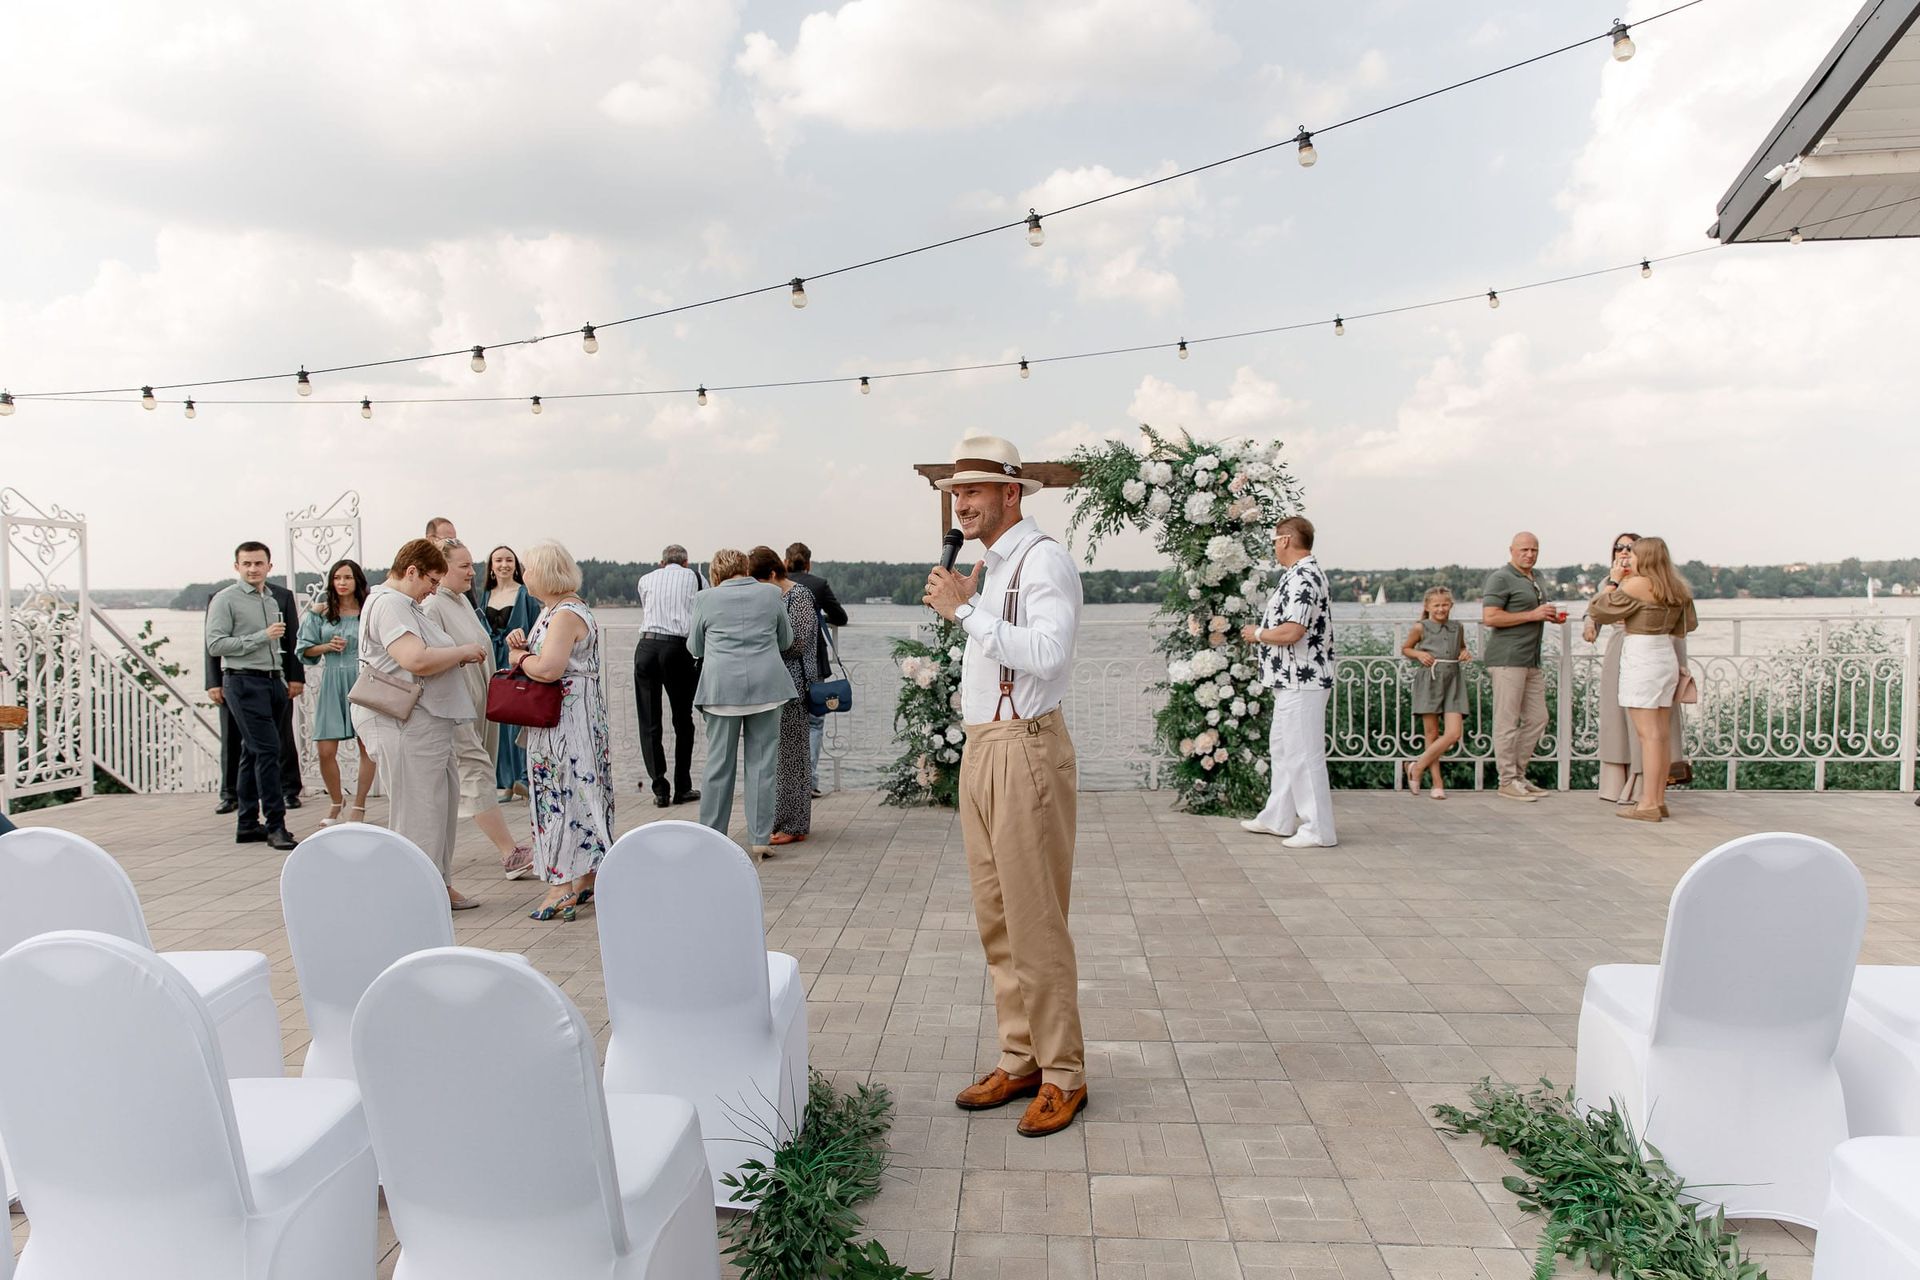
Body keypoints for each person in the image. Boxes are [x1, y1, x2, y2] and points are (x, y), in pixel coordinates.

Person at [923, 434, 1087, 1138]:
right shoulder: (990, 569)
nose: (961, 502)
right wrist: (971, 604)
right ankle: (1020, 1058)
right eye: (956, 492)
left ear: (1011, 494)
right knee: (997, 919)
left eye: (974, 491)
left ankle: (1064, 1074)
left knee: (1035, 919)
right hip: (986, 748)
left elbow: (1050, 652)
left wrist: (963, 611)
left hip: (1024, 748)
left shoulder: (1043, 560)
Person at [353, 539, 489, 909]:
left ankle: (437, 886)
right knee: (418, 810)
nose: (434, 589)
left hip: (427, 721)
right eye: (431, 580)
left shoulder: (404, 605)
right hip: (406, 722)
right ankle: (414, 894)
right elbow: (415, 659)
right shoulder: (390, 605)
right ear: (411, 570)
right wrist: (460, 652)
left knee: (438, 806)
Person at [507, 541, 615, 922]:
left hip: (563, 721)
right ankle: (587, 875)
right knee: (582, 790)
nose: (524, 576)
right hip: (571, 715)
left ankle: (560, 885)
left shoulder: (565, 613)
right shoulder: (556, 610)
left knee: (560, 792)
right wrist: (523, 646)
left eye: (528, 569)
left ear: (544, 573)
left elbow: (550, 668)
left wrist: (518, 657)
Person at [423, 539, 535, 879]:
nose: (473, 572)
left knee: (462, 778)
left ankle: (432, 860)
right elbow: (427, 658)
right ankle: (509, 853)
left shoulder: (461, 602)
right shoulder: (432, 607)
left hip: (480, 702)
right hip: (454, 705)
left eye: (472, 564)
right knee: (475, 772)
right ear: (441, 570)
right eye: (464, 566)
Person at [688, 548, 793, 860]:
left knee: (719, 765)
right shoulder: (772, 594)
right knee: (762, 765)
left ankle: (712, 836)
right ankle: (760, 838)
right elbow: (785, 639)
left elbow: (694, 646)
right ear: (745, 567)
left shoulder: (705, 599)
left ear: (716, 572)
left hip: (722, 690)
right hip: (767, 687)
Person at [1239, 516, 1338, 848]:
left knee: (1304, 754)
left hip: (1302, 681)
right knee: (1283, 749)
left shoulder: (1304, 578)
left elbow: (1293, 631)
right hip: (1290, 680)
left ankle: (1317, 829)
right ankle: (1278, 817)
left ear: (1285, 540)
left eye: (1274, 541)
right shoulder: (1299, 575)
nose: (1273, 547)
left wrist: (1258, 634)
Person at [1588, 536, 1698, 823]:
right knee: (1659, 735)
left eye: (1633, 554)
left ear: (1645, 557)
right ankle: (1658, 800)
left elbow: (1599, 609)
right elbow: (1687, 626)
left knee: (1647, 736)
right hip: (1665, 658)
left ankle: (1647, 803)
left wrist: (1613, 582)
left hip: (1642, 659)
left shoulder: (1637, 584)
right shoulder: (1676, 587)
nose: (1629, 558)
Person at [205, 541, 305, 850]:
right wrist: (260, 637)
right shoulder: (225, 600)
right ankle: (276, 826)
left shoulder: (273, 598)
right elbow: (216, 645)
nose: (252, 569)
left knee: (252, 753)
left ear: (269, 567)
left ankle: (247, 824)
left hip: (272, 681)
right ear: (237, 566)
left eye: (258, 563)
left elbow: (289, 639)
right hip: (243, 682)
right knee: (268, 753)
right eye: (246, 563)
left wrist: (287, 677)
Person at [1481, 531, 1561, 802]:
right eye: (1524, 550)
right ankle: (1506, 780)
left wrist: (1548, 616)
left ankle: (1518, 775)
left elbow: (1533, 612)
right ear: (1512, 550)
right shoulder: (1501, 577)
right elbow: (1490, 617)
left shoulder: (1536, 577)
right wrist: (1532, 615)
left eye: (1534, 550)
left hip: (1531, 659)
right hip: (1507, 658)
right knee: (1506, 722)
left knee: (1539, 718)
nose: (1529, 554)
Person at [296, 558, 375, 825]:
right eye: (337, 578)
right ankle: (335, 801)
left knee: (367, 746)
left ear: (357, 581)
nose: (342, 583)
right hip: (332, 681)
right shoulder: (320, 613)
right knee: (325, 750)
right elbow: (303, 649)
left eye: (347, 578)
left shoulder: (369, 610)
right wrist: (326, 646)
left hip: (362, 680)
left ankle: (359, 805)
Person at [633, 544, 703, 809]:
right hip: (677, 648)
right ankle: (682, 787)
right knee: (682, 720)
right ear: (686, 562)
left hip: (647, 646)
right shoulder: (696, 577)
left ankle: (660, 789)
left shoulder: (646, 579)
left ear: (661, 563)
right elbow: (701, 610)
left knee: (650, 721)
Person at [760, 548, 819, 847]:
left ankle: (792, 823)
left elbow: (798, 643)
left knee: (792, 757)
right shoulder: (773, 596)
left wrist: (761, 643)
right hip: (775, 682)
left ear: (773, 574)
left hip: (794, 683)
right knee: (780, 755)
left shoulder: (800, 596)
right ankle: (783, 819)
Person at [785, 542, 849, 797]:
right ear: (808, 563)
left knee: (786, 722)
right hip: (815, 661)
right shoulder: (818, 585)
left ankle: (788, 781)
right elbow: (840, 617)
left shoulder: (777, 584)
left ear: (785, 561)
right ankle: (808, 781)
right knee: (814, 722)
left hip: (783, 662)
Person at [1401, 586, 1472, 799]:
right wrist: (1418, 654)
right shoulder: (1420, 627)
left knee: (1453, 733)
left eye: (1445, 604)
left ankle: (1416, 766)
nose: (1441, 609)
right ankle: (1437, 783)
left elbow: (1460, 647)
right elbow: (1406, 648)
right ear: (1427, 606)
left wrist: (1464, 652)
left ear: (1451, 605)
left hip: (1453, 681)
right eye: (1436, 605)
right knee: (1431, 734)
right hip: (1430, 680)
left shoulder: (1457, 627)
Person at [481, 545, 539, 800]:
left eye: (508, 560)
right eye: (498, 560)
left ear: (516, 565)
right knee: (497, 720)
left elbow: (537, 627)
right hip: (491, 661)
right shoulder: (484, 595)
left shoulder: (525, 594)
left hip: (515, 661)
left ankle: (524, 778)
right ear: (491, 567)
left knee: (518, 718)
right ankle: (503, 782)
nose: (504, 564)